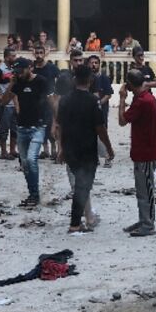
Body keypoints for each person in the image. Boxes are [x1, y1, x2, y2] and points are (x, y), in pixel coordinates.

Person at [55, 64, 115, 233]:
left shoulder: (65, 100)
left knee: (81, 186)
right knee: (83, 187)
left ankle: (78, 221)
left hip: (70, 148)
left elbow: (60, 126)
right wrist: (109, 149)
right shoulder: (92, 101)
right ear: (90, 80)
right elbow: (100, 129)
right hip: (87, 149)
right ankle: (75, 224)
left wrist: (60, 148)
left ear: (74, 80)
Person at [0, 57, 49, 207]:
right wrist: (12, 83)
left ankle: (35, 194)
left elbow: (51, 101)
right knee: (25, 163)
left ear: (30, 68)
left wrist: (55, 123)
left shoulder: (41, 81)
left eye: (21, 71)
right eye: (16, 72)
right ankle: (33, 193)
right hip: (21, 128)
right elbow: (4, 102)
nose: (19, 74)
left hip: (38, 127)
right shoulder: (18, 82)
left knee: (32, 159)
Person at [118, 69, 156, 237]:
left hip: (145, 152)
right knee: (144, 189)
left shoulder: (142, 101)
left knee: (145, 190)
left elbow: (122, 121)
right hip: (149, 150)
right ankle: (145, 219)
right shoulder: (147, 98)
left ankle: (148, 224)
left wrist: (122, 98)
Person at [86, 53, 116, 165]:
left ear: (99, 64)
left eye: (96, 63)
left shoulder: (104, 78)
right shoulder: (87, 79)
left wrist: (98, 103)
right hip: (89, 110)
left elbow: (108, 94)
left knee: (103, 133)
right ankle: (95, 157)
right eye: (91, 63)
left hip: (102, 109)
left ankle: (107, 157)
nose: (94, 65)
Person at [32, 48, 59, 158]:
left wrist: (57, 95)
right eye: (37, 53)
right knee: (40, 124)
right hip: (37, 100)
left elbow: (60, 80)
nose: (39, 55)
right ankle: (45, 149)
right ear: (34, 54)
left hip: (50, 99)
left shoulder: (52, 68)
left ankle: (53, 148)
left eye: (41, 53)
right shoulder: (32, 68)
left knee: (51, 123)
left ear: (44, 54)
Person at [0, 48, 18, 159]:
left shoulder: (15, 69)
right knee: (4, 128)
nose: (15, 58)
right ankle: (3, 152)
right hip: (4, 103)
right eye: (13, 56)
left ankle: (12, 150)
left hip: (15, 102)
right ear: (6, 57)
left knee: (15, 128)